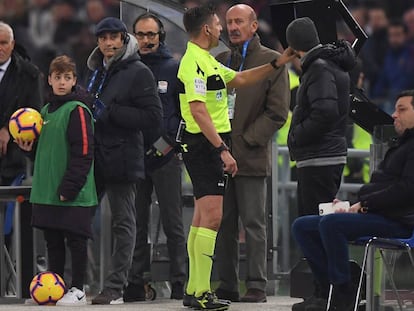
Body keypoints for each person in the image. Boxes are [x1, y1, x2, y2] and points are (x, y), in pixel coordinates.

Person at [178, 4, 295, 310]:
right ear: (207, 29)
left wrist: (278, 62)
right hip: (206, 146)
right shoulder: (195, 63)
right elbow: (198, 110)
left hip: (212, 145)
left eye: (232, 22)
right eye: (219, 23)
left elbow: (241, 80)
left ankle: (195, 288)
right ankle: (203, 291)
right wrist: (222, 149)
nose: (223, 28)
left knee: (203, 218)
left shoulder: (206, 60)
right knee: (215, 218)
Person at [291, 89, 414, 311]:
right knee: (303, 226)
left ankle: (343, 292)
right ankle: (329, 287)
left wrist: (365, 205)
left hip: (399, 221)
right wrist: (350, 204)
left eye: (402, 109)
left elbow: (406, 191)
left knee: (331, 224)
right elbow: (380, 185)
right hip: (377, 212)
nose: (394, 115)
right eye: (395, 109)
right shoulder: (401, 145)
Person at [214, 4, 290, 303]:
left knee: (254, 223)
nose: (233, 27)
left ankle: (257, 284)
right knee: (223, 224)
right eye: (229, 22)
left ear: (254, 25)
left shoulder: (272, 61)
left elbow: (277, 112)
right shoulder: (219, 60)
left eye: (239, 22)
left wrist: (246, 140)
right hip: (220, 156)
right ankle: (227, 284)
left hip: (250, 155)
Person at [86, 17, 162, 305]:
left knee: (123, 223)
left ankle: (116, 286)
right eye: (103, 38)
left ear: (123, 39)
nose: (108, 43)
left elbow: (152, 117)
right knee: (80, 219)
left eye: (113, 37)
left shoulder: (138, 71)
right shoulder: (94, 71)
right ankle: (80, 282)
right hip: (94, 157)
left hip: (122, 157)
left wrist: (111, 112)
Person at [17, 55, 97, 306]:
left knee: (76, 240)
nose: (62, 82)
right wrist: (27, 147)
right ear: (49, 80)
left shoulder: (78, 110)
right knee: (53, 242)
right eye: (57, 77)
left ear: (74, 81)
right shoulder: (43, 112)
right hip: (47, 191)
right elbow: (43, 150)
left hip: (72, 191)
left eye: (67, 77)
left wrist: (70, 187)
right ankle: (57, 288)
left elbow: (84, 151)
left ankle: (79, 289)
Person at [123, 12, 186, 301]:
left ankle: (180, 283)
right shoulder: (126, 68)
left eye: (151, 34)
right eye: (141, 34)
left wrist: (167, 144)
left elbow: (182, 113)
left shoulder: (173, 67)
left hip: (165, 156)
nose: (146, 40)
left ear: (160, 35)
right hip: (134, 158)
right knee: (136, 224)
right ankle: (136, 282)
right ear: (133, 36)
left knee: (173, 223)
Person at [276, 17, 356, 217]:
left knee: (313, 225)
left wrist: (297, 136)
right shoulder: (329, 64)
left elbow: (324, 112)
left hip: (319, 157)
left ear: (292, 46)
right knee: (318, 225)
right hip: (323, 156)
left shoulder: (319, 68)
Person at [0, 21, 44, 298]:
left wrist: (8, 129)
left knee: (10, 229)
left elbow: (35, 113)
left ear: (12, 44)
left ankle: (16, 285)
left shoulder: (29, 74)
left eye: (3, 43)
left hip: (14, 163)